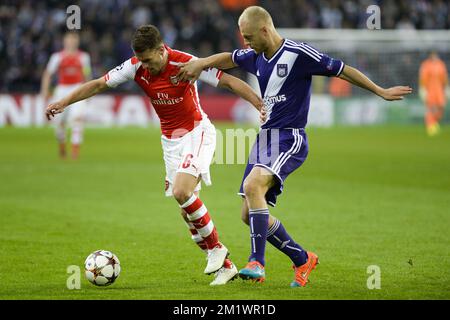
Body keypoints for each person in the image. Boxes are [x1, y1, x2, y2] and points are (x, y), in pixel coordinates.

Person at [178, 6, 412, 287]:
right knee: (248, 213)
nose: (247, 43)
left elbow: (342, 70)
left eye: (250, 37)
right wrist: (201, 62)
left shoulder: (299, 54)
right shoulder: (256, 56)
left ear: (265, 30)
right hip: (265, 138)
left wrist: (380, 91)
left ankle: (257, 262)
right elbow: (228, 58)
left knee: (253, 188)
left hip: (290, 137)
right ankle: (302, 258)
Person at [46, 25, 264, 286]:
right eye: (141, 61)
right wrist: (63, 102)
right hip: (170, 142)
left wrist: (259, 103)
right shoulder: (135, 66)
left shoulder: (186, 63)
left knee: (182, 193)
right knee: (187, 212)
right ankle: (226, 267)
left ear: (161, 50)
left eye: (149, 60)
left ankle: (217, 249)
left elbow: (228, 81)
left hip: (196, 132)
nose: (145, 66)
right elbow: (97, 85)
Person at [41, 31, 92, 159]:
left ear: (77, 42)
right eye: (69, 40)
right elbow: (48, 74)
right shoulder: (57, 57)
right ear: (64, 41)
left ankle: (75, 153)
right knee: (59, 122)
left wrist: (89, 92)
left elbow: (87, 75)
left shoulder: (84, 57)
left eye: (73, 40)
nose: (71, 42)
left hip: (77, 88)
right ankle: (62, 148)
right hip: (61, 89)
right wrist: (45, 90)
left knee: (77, 119)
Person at [419, 52, 449, 136]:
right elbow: (422, 78)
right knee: (431, 108)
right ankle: (430, 125)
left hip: (439, 90)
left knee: (441, 108)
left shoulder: (441, 64)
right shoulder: (426, 65)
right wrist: (422, 89)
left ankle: (435, 123)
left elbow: (444, 77)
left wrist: (447, 88)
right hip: (430, 90)